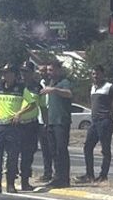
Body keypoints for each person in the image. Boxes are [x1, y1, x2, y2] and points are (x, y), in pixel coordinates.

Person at [0, 63, 38, 193]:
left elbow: (32, 104)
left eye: (7, 73)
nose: (4, 75)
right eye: (3, 73)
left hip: (13, 127)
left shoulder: (21, 88)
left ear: (14, 75)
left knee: (12, 156)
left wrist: (19, 114)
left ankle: (10, 184)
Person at [77, 65, 113, 184]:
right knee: (88, 147)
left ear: (102, 74)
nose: (95, 76)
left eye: (97, 74)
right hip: (94, 121)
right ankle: (89, 174)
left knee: (105, 149)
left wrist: (111, 108)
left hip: (105, 121)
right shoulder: (93, 87)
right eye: (93, 74)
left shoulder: (109, 87)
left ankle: (103, 175)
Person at [40, 59, 73, 188]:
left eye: (51, 70)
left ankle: (64, 178)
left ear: (58, 70)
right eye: (48, 70)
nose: (48, 72)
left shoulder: (64, 82)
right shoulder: (50, 83)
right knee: (53, 150)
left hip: (61, 122)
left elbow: (69, 94)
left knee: (61, 150)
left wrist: (54, 90)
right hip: (51, 122)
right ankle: (57, 176)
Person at [17, 62, 42, 191]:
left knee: (28, 154)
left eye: (26, 71)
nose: (23, 74)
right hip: (16, 124)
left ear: (32, 73)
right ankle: (11, 179)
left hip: (31, 124)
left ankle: (25, 181)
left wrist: (45, 123)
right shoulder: (16, 86)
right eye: (22, 71)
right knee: (13, 153)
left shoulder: (37, 87)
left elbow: (42, 106)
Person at [36, 63, 55, 182]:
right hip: (41, 120)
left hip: (52, 120)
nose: (42, 73)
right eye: (40, 71)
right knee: (45, 150)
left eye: (44, 70)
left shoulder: (54, 84)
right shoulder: (39, 85)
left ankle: (57, 173)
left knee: (54, 149)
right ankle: (47, 173)